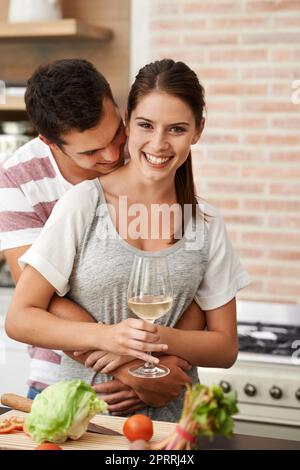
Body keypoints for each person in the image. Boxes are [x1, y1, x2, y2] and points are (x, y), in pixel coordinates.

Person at [6, 59, 250, 422]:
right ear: (132, 119)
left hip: (172, 425)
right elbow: (25, 312)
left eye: (178, 129)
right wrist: (112, 342)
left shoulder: (205, 221)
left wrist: (144, 342)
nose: (158, 143)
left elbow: (223, 343)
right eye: (146, 125)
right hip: (82, 417)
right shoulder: (77, 200)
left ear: (198, 131)